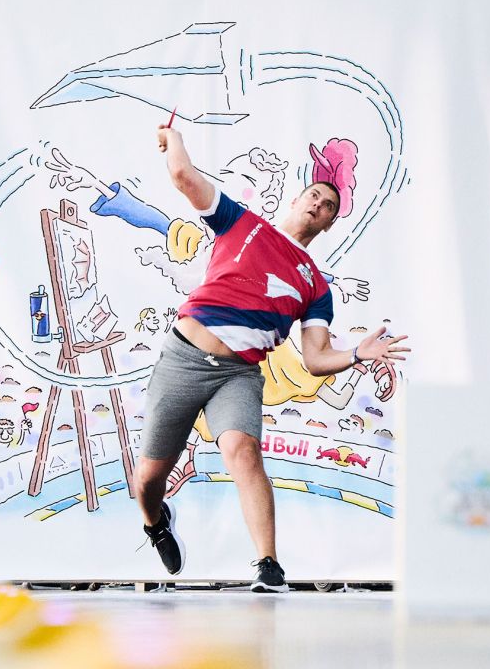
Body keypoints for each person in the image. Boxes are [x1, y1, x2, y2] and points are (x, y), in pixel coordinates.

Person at [136, 125, 409, 591]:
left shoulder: (315, 286)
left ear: (327, 224)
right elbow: (182, 175)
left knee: (243, 453)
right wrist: (173, 137)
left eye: (328, 207)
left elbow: (317, 359)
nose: (318, 205)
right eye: (314, 196)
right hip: (183, 358)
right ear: (296, 199)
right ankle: (155, 521)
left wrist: (357, 355)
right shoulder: (240, 221)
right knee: (148, 481)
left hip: (239, 374)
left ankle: (268, 564)